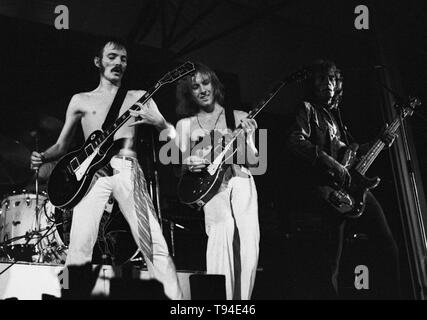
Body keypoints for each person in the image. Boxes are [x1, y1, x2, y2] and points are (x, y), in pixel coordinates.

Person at [30, 39, 183, 300]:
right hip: (92, 176)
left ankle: (176, 303)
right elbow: (62, 145)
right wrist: (42, 156)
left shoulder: (138, 97)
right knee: (79, 247)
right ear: (98, 62)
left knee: (154, 243)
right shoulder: (80, 100)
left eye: (123, 59)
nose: (119, 63)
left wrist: (159, 123)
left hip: (127, 169)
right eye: (112, 57)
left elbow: (173, 139)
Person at [283, 59, 400, 299]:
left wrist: (379, 143)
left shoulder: (336, 117)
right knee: (330, 264)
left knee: (388, 245)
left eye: (333, 79)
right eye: (322, 79)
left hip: (353, 188)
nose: (328, 83)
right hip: (327, 189)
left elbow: (349, 152)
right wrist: (331, 163)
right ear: (313, 84)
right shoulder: (307, 109)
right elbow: (295, 140)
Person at [171, 62, 260, 300]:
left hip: (242, 181)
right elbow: (179, 171)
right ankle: (219, 301)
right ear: (188, 93)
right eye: (195, 86)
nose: (201, 89)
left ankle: (242, 303)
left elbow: (254, 161)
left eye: (205, 82)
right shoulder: (184, 125)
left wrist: (249, 137)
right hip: (212, 189)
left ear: (214, 84)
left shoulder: (239, 116)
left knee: (248, 245)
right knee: (221, 238)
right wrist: (188, 163)